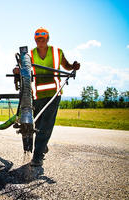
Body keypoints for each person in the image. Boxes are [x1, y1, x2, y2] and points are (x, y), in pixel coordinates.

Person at [29, 27, 80, 166]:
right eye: (38, 39)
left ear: (47, 39)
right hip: (38, 95)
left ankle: (37, 156)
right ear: (35, 40)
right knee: (38, 124)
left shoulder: (57, 52)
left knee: (46, 125)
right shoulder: (30, 54)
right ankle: (42, 145)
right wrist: (16, 70)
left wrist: (73, 66)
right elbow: (24, 69)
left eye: (43, 39)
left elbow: (67, 66)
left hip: (54, 94)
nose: (40, 41)